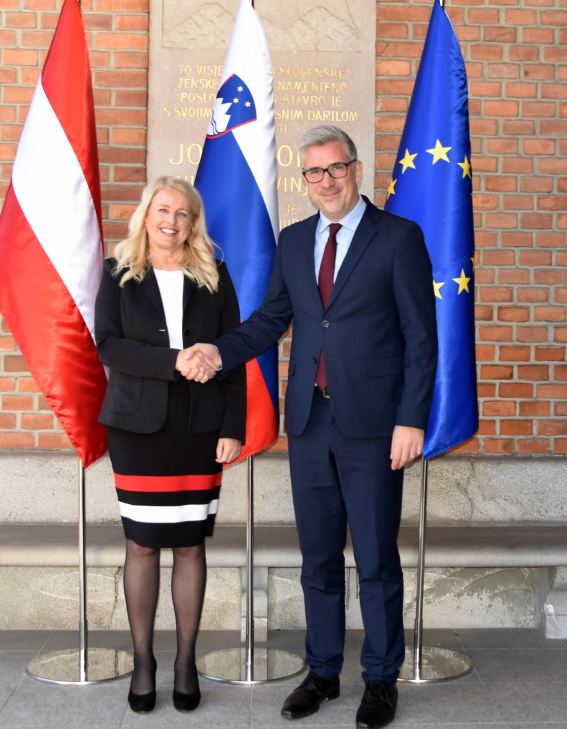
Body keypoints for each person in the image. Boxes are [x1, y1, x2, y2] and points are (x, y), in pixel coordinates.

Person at [184, 126, 437, 729]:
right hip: (310, 421)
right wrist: (218, 351)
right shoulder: (293, 241)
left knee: (375, 557)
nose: (325, 182)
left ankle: (380, 678)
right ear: (304, 181)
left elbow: (421, 340)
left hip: (376, 426)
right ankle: (322, 671)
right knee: (317, 557)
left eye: (335, 169)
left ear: (355, 169)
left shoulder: (399, 237)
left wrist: (411, 420)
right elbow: (273, 318)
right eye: (313, 173)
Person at [94, 176, 246, 714]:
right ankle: (142, 661)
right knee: (141, 544)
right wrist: (173, 362)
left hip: (199, 430)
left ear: (193, 222)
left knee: (189, 544)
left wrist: (233, 428)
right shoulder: (119, 274)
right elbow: (108, 344)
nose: (172, 221)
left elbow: (234, 353)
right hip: (138, 430)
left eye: (183, 213)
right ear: (146, 215)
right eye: (163, 210)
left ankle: (184, 661)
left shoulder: (213, 275)